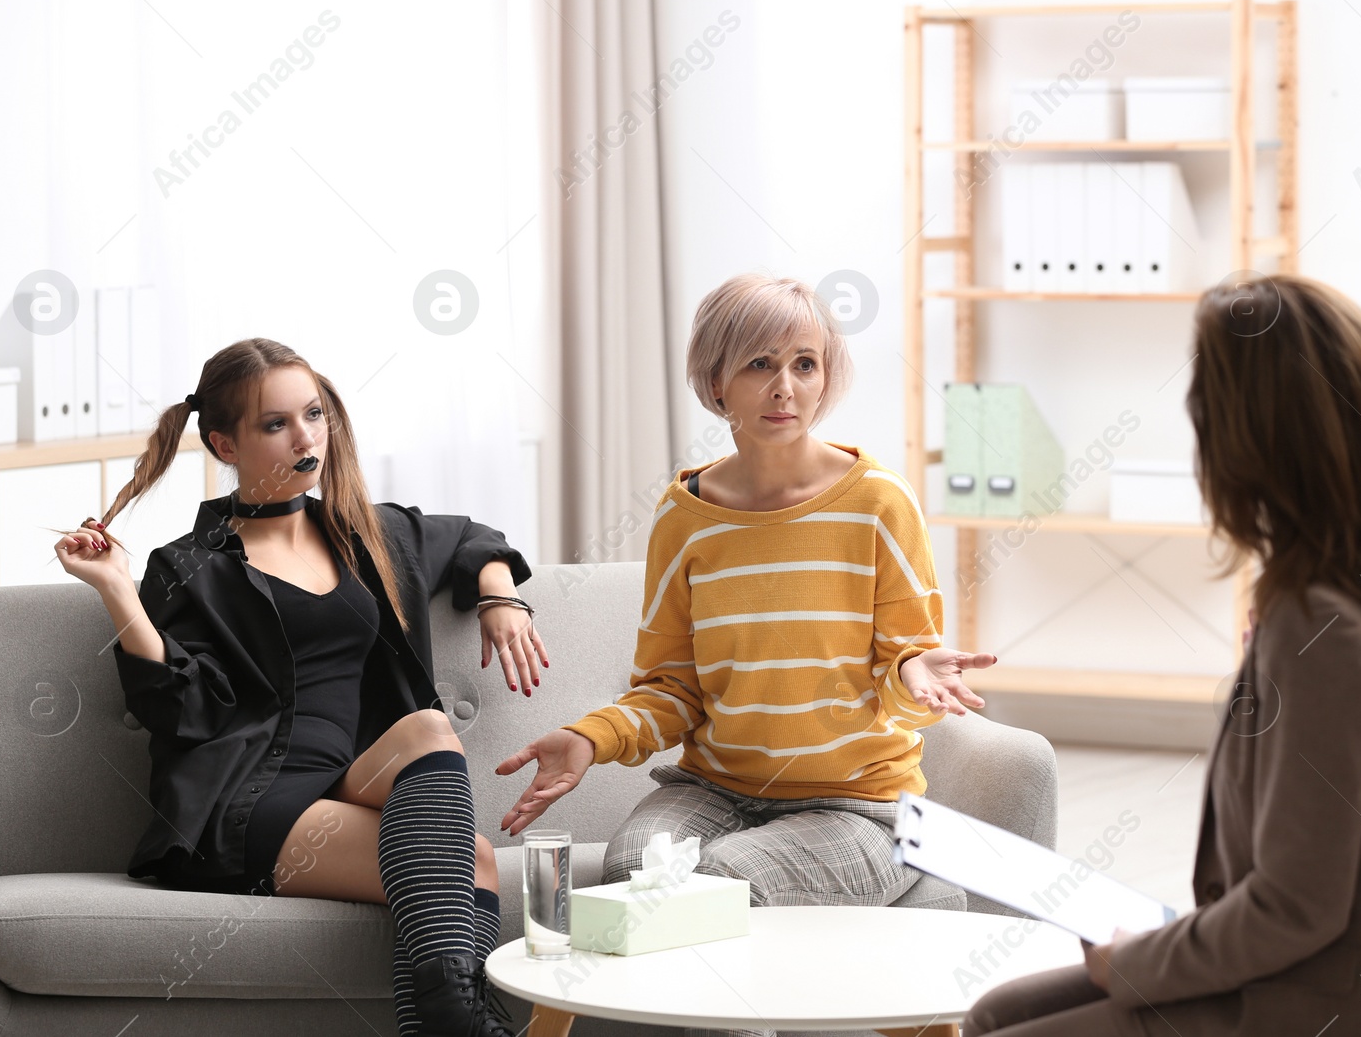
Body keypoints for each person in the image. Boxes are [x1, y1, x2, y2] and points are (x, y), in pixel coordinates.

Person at [496, 273, 992, 1037]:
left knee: (718, 883)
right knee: (636, 866)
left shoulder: (878, 502)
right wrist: (589, 738)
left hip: (861, 807)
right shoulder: (684, 513)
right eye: (760, 364)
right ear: (715, 380)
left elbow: (902, 668)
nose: (785, 387)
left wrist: (912, 675)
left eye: (805, 363)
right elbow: (673, 688)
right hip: (718, 787)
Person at [964, 274, 1361, 1036]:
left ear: (1251, 442)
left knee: (1004, 1027)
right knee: (999, 1009)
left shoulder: (1320, 626)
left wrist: (1135, 961)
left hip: (1334, 998)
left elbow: (1297, 906)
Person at [55, 338, 546, 1037]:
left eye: (314, 414)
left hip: (347, 777)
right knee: (470, 858)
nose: (305, 436)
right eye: (275, 424)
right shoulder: (192, 565)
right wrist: (117, 591)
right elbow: (181, 709)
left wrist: (500, 593)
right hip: (254, 798)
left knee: (430, 729)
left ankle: (446, 1016)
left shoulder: (369, 536)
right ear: (224, 443)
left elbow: (471, 536)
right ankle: (458, 1014)